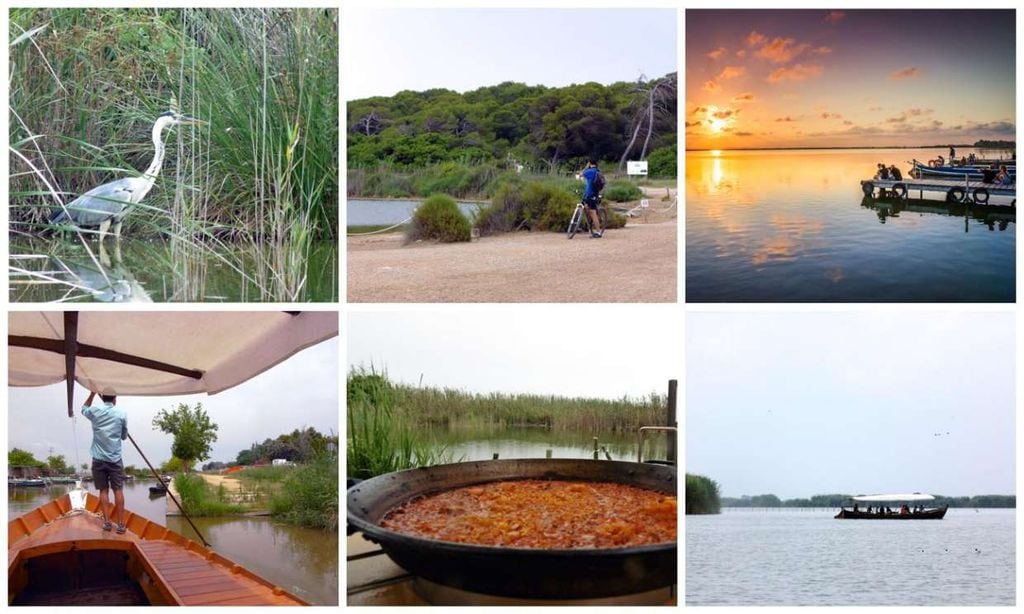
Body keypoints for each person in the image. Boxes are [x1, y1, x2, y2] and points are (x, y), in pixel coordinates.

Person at [82, 389, 128, 534]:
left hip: (98, 459)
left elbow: (84, 409)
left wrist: (91, 394)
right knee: (118, 490)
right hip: (115, 459)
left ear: (103, 397)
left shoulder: (95, 411)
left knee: (103, 490)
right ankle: (121, 525)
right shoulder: (121, 414)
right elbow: (124, 436)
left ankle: (107, 523)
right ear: (115, 399)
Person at [580, 159, 604, 238]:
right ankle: (590, 226)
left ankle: (598, 232)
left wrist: (586, 167)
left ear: (590, 163)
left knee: (593, 213)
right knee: (587, 209)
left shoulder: (590, 171)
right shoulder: (598, 171)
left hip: (590, 194)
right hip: (594, 195)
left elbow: (580, 174)